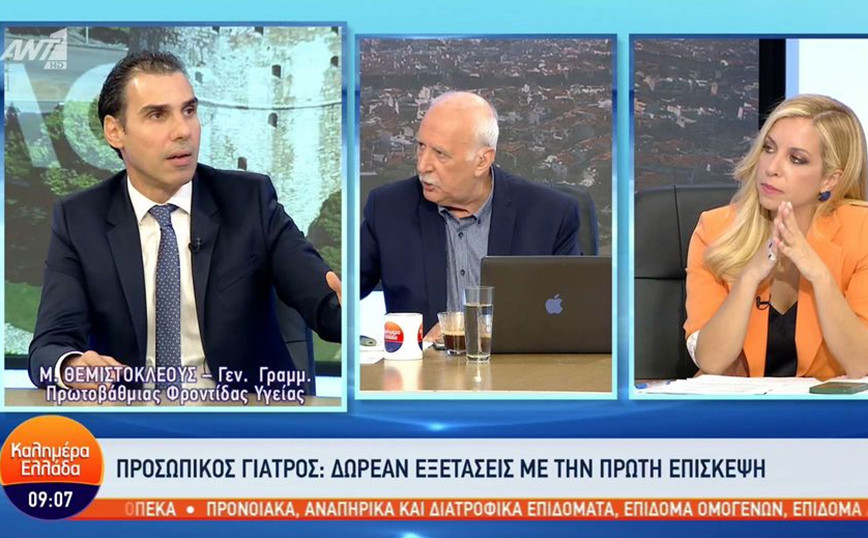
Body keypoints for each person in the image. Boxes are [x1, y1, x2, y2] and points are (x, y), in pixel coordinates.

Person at [28, 51, 342, 392]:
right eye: (157, 115)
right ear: (115, 131)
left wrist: (345, 309)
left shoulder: (249, 201)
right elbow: (48, 348)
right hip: (132, 414)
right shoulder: (80, 219)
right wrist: (72, 367)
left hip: (243, 413)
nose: (183, 131)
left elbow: (326, 305)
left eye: (189, 111)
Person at [360, 91, 580, 334]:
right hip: (422, 359)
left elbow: (574, 317)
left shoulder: (550, 215)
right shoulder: (389, 208)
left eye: (440, 154)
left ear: (482, 161)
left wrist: (484, 334)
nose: (422, 165)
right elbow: (342, 294)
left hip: (515, 359)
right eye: (421, 147)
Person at [685, 94, 868, 380]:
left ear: (829, 180)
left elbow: (861, 365)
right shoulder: (716, 230)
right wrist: (749, 278)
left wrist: (819, 276)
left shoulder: (861, 231)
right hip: (745, 404)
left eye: (796, 159)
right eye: (768, 149)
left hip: (829, 405)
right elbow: (711, 361)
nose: (771, 168)